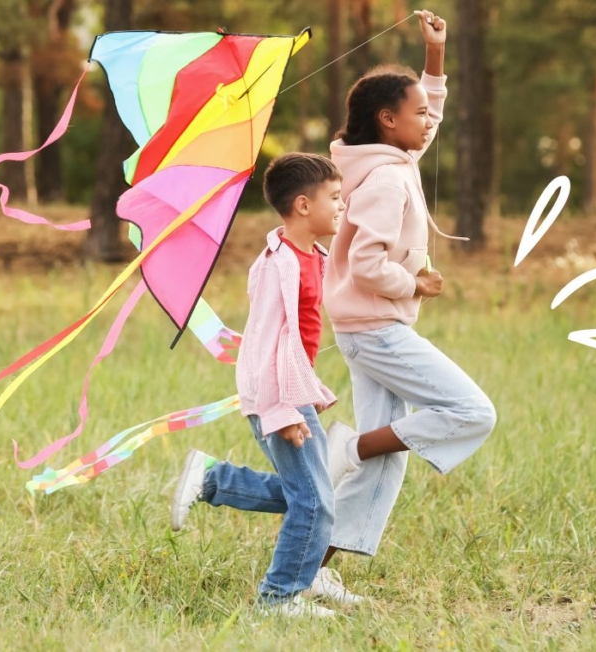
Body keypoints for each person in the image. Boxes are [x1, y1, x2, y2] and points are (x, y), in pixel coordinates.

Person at [321, 9, 497, 591]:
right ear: (387, 119)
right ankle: (350, 443)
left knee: (386, 464)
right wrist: (413, 282)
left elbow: (429, 116)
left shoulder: (383, 159)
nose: (429, 122)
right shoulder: (389, 178)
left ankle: (306, 572)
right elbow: (369, 266)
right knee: (472, 411)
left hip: (366, 324)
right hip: (375, 325)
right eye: (417, 113)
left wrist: (435, 59)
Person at [169, 153, 348, 618]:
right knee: (313, 499)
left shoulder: (312, 257)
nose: (342, 205)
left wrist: (308, 389)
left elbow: (299, 340)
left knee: (309, 490)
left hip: (291, 392)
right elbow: (265, 344)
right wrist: (281, 410)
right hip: (275, 397)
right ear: (304, 206)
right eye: (335, 197)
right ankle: (279, 597)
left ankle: (212, 479)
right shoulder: (278, 266)